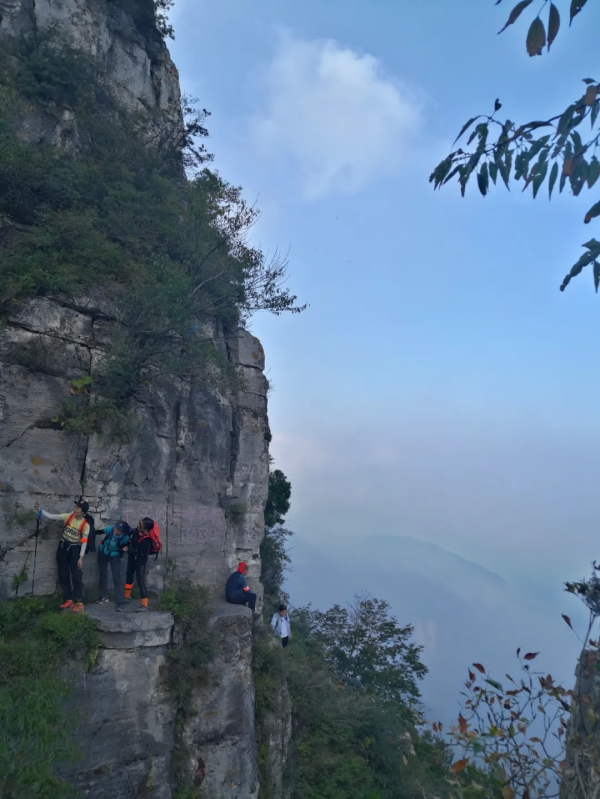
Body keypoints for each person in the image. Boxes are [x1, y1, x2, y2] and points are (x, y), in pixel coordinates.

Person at [35, 498, 90, 612]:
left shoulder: (85, 525)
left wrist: (81, 557)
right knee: (63, 574)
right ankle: (68, 599)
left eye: (78, 508)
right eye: (75, 507)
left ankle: (79, 602)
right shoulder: (68, 516)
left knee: (76, 576)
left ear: (83, 512)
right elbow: (51, 516)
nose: (75, 509)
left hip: (74, 549)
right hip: (63, 546)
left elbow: (84, 541)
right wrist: (40, 510)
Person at [96, 521, 131, 612]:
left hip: (115, 556)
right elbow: (98, 532)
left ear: (123, 532)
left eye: (118, 529)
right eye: (116, 527)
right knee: (103, 574)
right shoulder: (110, 530)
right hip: (103, 553)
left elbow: (128, 545)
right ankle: (103, 596)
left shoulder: (125, 538)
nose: (115, 530)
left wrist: (126, 548)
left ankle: (119, 602)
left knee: (117, 578)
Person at [124, 518, 155, 613]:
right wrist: (128, 546)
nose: (138, 525)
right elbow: (131, 541)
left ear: (145, 529)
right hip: (132, 558)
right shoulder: (136, 531)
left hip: (141, 561)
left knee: (140, 581)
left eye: (140, 524)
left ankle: (145, 605)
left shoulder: (147, 539)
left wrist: (129, 550)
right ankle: (126, 596)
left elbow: (140, 552)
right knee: (129, 576)